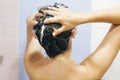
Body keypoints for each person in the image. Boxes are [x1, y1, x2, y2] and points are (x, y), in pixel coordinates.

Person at [25, 6, 120, 80]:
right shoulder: (88, 74)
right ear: (73, 33)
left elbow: (30, 20)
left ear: (41, 37)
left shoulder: (33, 66)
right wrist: (78, 18)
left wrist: (41, 22)